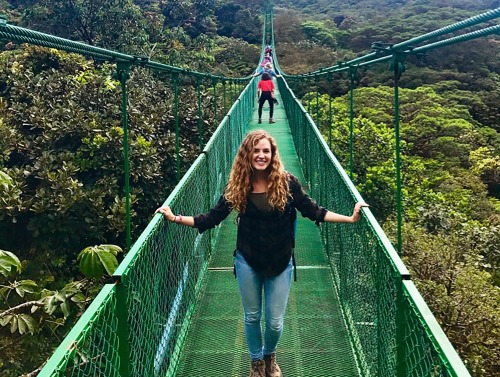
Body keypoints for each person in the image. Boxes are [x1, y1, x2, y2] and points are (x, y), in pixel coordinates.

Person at [155, 130, 368, 377]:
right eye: (256, 151)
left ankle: (270, 355)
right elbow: (212, 218)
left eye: (266, 151)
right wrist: (176, 218)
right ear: (247, 155)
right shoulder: (239, 186)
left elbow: (314, 211)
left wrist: (350, 219)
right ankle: (257, 363)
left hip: (280, 261)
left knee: (275, 322)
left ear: (273, 154)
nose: (261, 155)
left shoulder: (287, 183)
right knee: (252, 315)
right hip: (248, 259)